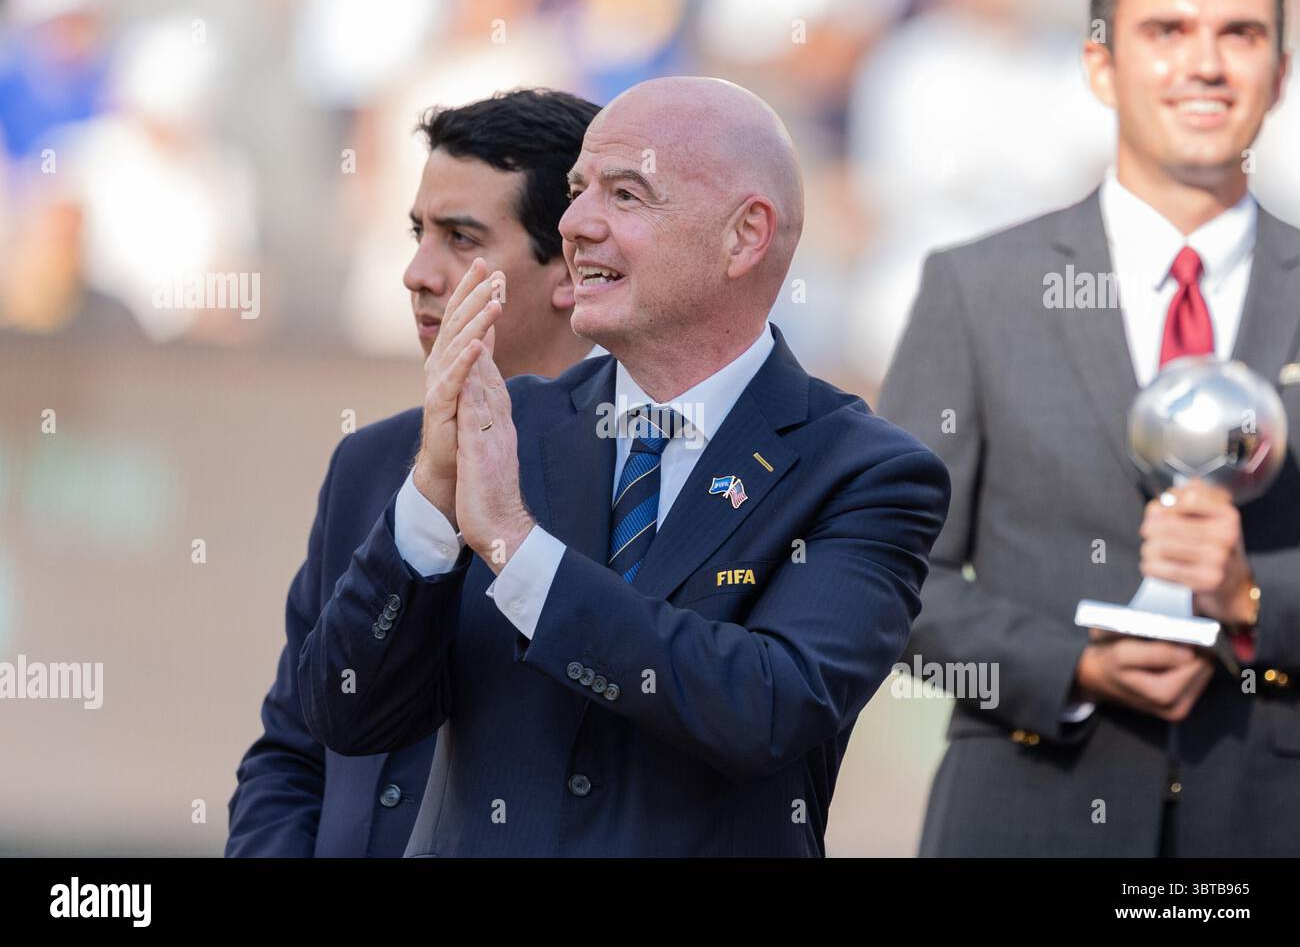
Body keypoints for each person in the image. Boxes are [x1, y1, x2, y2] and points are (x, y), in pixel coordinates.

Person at [296, 76, 950, 857]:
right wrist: (428, 508)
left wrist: (515, 543)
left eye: (626, 195)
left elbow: (769, 706)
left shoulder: (863, 472)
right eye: (577, 191)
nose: (576, 224)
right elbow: (349, 714)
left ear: (744, 237)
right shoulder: (506, 428)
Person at [880, 0, 1300, 856]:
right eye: (1168, 31)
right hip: (1031, 808)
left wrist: (1251, 599)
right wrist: (1071, 666)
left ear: (1281, 72)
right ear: (1100, 65)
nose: (1207, 64)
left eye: (1241, 34)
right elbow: (891, 573)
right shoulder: (977, 289)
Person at [226, 88, 602, 857]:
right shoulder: (366, 463)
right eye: (418, 232)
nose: (417, 272)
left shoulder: (638, 474)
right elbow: (294, 750)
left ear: (572, 269)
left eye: (462, 239)